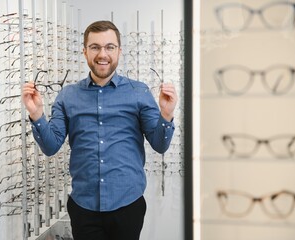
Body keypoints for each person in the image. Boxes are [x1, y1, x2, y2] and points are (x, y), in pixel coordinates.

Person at [22, 20, 178, 240]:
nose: (102, 54)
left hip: (128, 205)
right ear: (85, 52)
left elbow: (160, 145)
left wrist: (167, 114)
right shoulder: (68, 96)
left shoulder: (139, 92)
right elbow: (50, 146)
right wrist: (37, 114)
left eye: (109, 47)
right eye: (95, 47)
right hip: (84, 207)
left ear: (119, 51)